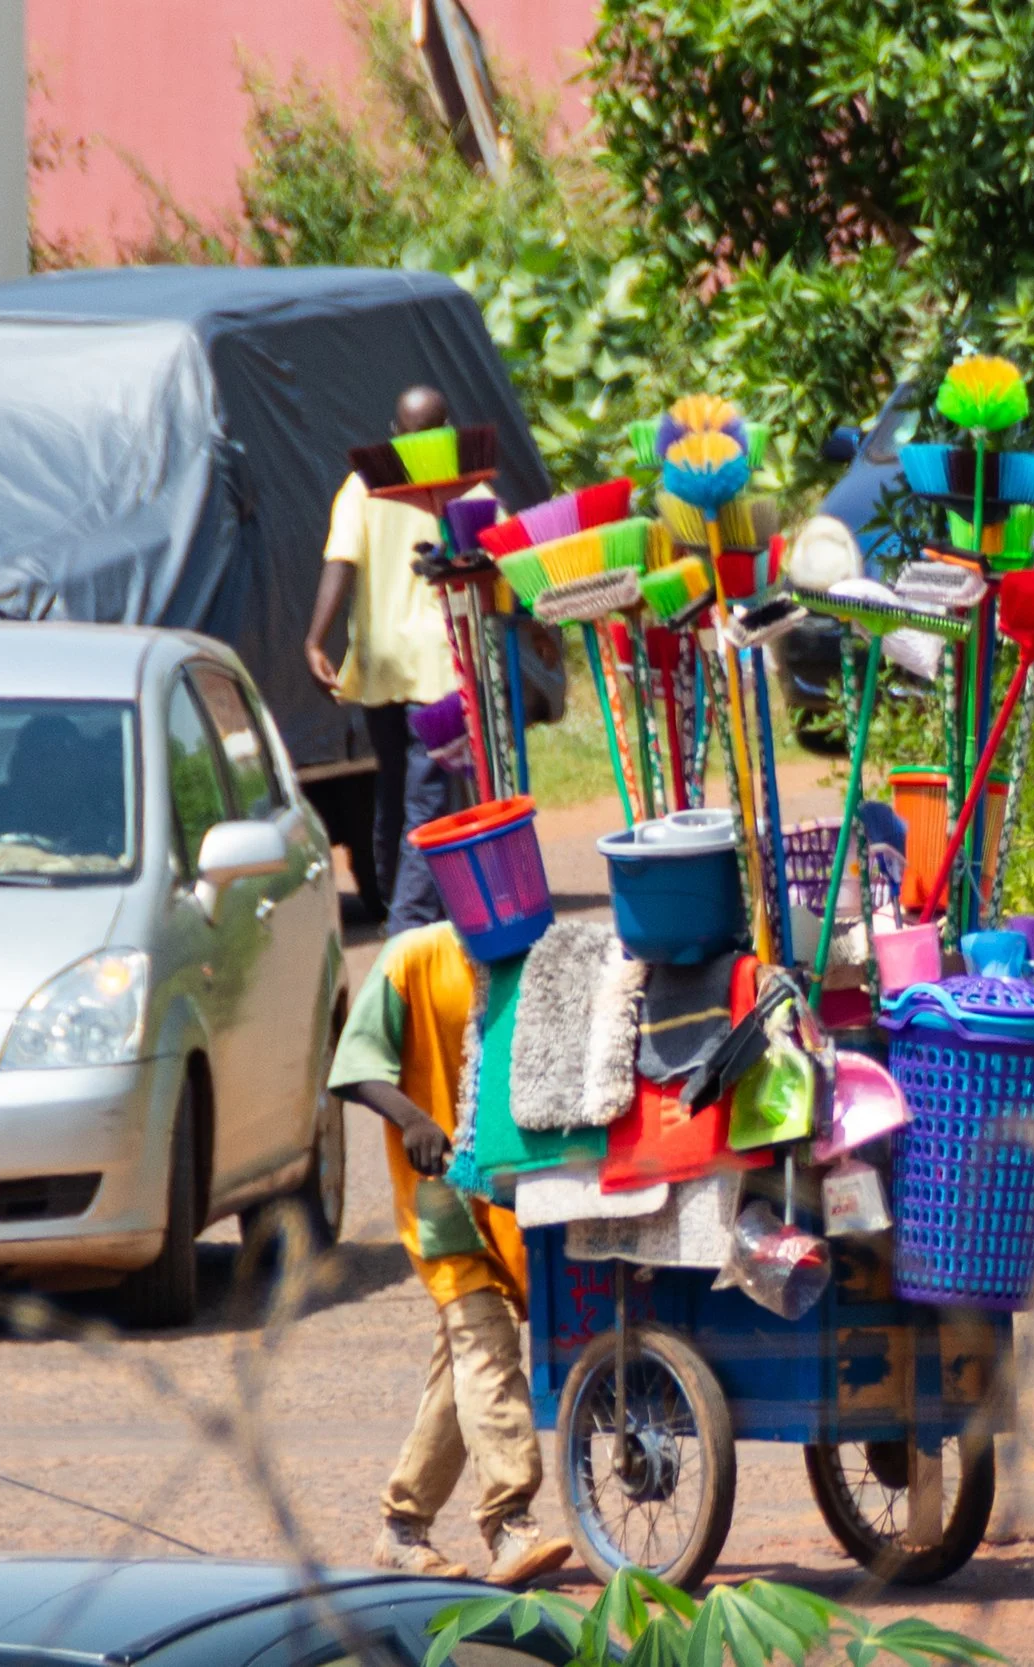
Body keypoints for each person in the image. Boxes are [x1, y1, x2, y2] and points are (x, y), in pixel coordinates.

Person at [330, 919, 575, 1586]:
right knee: (487, 1344)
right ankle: (509, 1521)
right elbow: (351, 1068)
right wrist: (410, 1117)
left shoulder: (531, 962)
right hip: (438, 1200)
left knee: (461, 1369)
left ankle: (401, 1527)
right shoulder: (411, 957)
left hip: (506, 1200)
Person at [305, 385, 476, 933]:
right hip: (437, 667)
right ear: (445, 429)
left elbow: (340, 560)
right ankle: (406, 923)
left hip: (380, 665)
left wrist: (316, 638)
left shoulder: (362, 484)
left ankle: (390, 902)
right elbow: (497, 550)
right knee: (427, 801)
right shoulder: (461, 481)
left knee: (394, 794)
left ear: (396, 432)